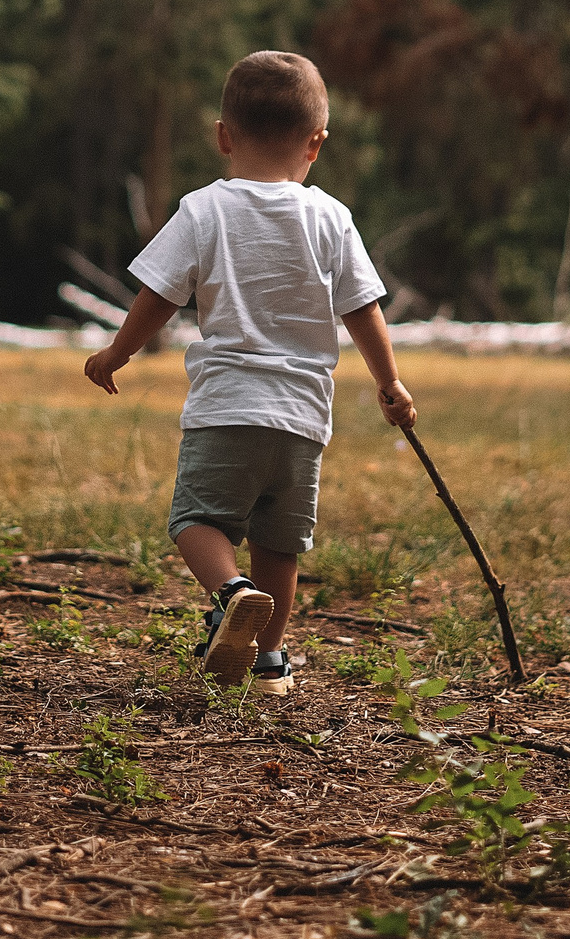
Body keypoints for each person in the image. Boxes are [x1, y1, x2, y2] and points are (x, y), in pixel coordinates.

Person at [82, 51, 417, 696]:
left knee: (196, 521)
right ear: (316, 144)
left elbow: (159, 295)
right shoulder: (331, 218)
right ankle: (268, 666)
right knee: (280, 545)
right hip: (303, 417)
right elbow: (362, 309)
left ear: (223, 136)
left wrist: (115, 354)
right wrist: (389, 382)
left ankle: (230, 592)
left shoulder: (202, 210)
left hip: (226, 407)